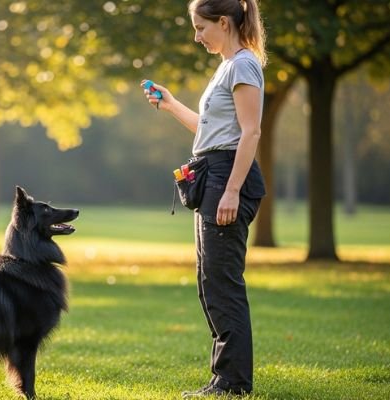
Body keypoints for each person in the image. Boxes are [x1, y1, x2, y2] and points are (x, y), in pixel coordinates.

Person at [141, 0, 267, 397]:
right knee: (209, 282)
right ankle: (223, 378)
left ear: (224, 22)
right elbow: (209, 132)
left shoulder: (244, 65)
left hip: (227, 178)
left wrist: (231, 190)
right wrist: (172, 104)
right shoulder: (227, 68)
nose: (196, 37)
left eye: (200, 27)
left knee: (223, 284)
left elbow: (250, 133)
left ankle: (233, 384)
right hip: (211, 174)